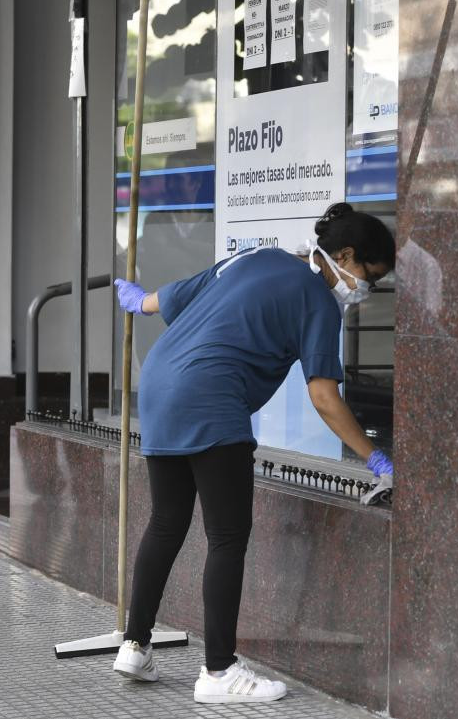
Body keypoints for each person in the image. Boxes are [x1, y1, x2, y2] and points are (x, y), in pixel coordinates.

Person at [109, 202, 396, 703]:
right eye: (368, 277)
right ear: (345, 255)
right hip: (210, 394)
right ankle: (218, 672)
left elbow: (174, 295)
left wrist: (137, 302)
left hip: (158, 382)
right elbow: (324, 396)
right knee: (226, 537)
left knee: (166, 522)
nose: (365, 291)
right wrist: (375, 457)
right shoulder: (318, 301)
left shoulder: (260, 258)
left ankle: (135, 645)